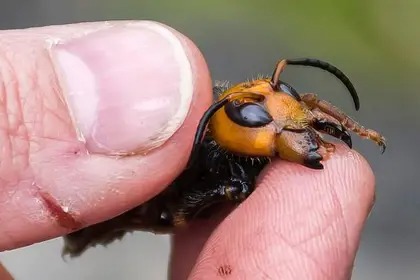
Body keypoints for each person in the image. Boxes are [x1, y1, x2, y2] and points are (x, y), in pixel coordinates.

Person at [0, 20, 375, 279]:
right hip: (137, 206)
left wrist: (352, 126)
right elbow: (179, 212)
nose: (286, 111)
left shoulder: (262, 124)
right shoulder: (210, 156)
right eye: (254, 113)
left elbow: (303, 100)